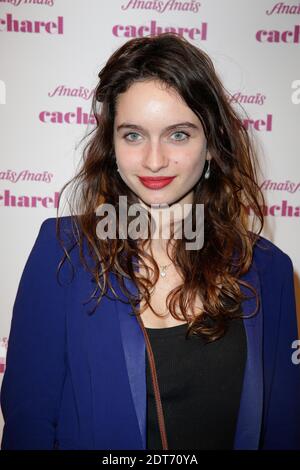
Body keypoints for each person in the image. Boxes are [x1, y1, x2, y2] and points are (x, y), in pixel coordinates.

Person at [1, 32, 300, 450]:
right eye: (133, 135)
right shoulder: (63, 251)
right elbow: (28, 420)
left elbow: (283, 429)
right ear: (111, 144)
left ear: (212, 144)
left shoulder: (267, 267)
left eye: (178, 134)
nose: (154, 160)